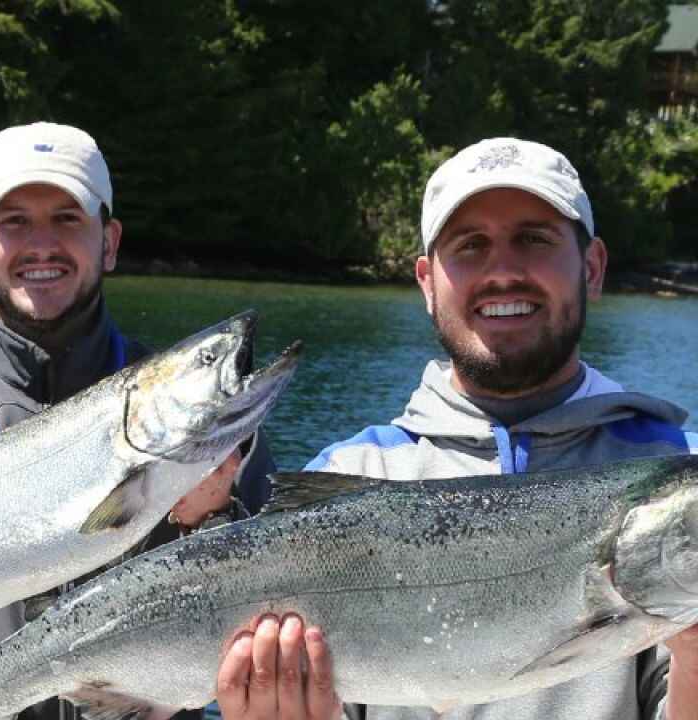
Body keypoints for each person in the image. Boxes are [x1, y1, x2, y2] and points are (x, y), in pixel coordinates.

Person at [211, 138, 698, 720]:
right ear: (426, 283)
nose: (504, 272)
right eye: (470, 246)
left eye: (534, 239)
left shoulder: (677, 477)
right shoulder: (348, 475)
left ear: (591, 267)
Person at [0, 122, 274, 720]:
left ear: (109, 242)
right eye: (13, 221)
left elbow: (271, 622)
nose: (42, 244)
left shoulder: (210, 416)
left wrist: (209, 519)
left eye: (67, 219)